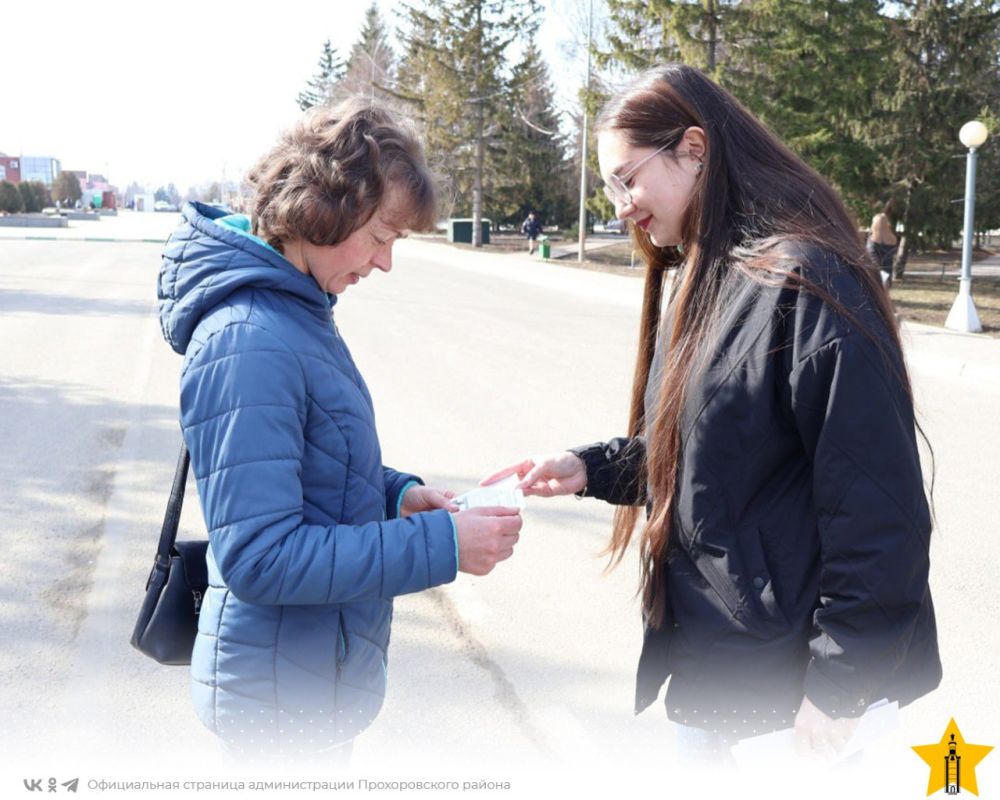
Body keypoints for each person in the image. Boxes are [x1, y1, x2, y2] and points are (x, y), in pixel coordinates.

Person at [484, 64, 940, 763]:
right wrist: (589, 468)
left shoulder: (805, 282)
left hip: (795, 703)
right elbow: (704, 452)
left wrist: (841, 683)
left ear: (694, 150)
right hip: (718, 677)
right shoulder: (706, 277)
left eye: (627, 178)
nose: (620, 206)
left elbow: (880, 512)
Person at [157, 98, 523, 764]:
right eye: (382, 235)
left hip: (303, 685)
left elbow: (311, 466)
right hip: (277, 711)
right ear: (324, 205)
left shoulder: (298, 313)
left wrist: (399, 497)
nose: (384, 263)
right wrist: (440, 544)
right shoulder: (249, 340)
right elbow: (262, 556)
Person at [866, 211, 898, 287]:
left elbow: (873, 259)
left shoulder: (872, 240)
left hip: (875, 274)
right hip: (887, 272)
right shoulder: (893, 239)